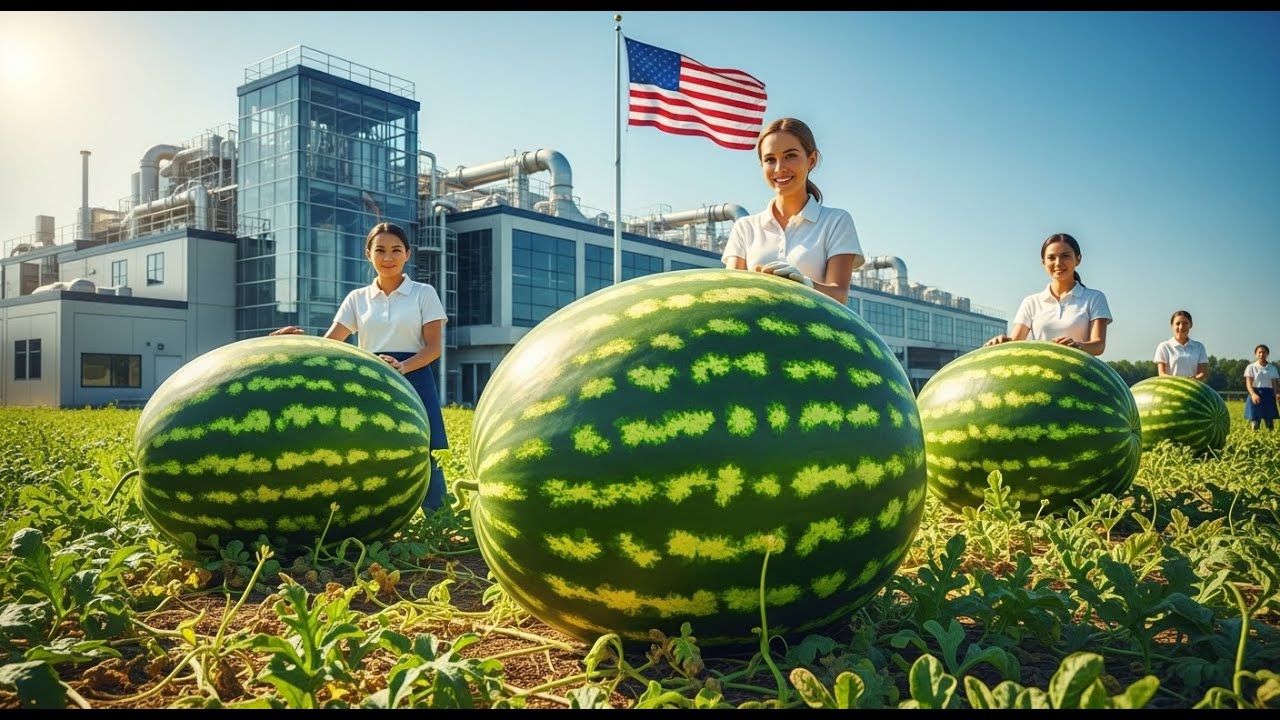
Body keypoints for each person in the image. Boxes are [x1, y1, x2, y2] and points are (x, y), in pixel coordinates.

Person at [271, 222, 450, 511]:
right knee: (372, 451)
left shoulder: (424, 293)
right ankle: (383, 518)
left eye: (395, 250)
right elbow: (332, 344)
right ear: (368, 254)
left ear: (408, 254)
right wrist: (297, 340)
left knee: (422, 451)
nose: (388, 257)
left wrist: (402, 367)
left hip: (414, 375)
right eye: (380, 250)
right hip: (371, 378)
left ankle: (439, 520)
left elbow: (433, 348)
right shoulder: (357, 299)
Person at [721, 117, 865, 304]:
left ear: (811, 160)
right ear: (762, 166)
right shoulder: (745, 227)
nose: (780, 168)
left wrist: (804, 284)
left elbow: (839, 296)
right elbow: (729, 294)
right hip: (755, 333)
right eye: (770, 160)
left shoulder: (836, 221)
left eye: (790, 156)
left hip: (811, 333)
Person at [984, 233, 1112, 356]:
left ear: (1078, 259)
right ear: (1043, 262)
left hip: (1079, 374)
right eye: (1051, 257)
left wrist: (1077, 346)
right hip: (1038, 375)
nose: (1058, 263)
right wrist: (1001, 343)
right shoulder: (1031, 302)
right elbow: (1015, 343)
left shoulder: (1094, 298)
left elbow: (1098, 346)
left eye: (1065, 256)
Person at [1153, 310, 1208, 380]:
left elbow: (1203, 372)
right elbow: (1161, 373)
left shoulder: (1199, 347)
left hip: (1193, 388)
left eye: (1185, 323)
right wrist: (1178, 381)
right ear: (1172, 325)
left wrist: (1194, 379)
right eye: (1177, 323)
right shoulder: (1164, 346)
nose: (1181, 327)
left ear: (1191, 325)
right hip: (1170, 389)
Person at [1244, 344, 1279, 431]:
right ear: (1256, 354)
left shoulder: (1272, 368)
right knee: (1255, 423)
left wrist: (1277, 395)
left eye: (1264, 352)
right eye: (1259, 352)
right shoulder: (1251, 367)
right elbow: (1248, 383)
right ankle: (1255, 440)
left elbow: (1275, 384)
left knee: (1269, 423)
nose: (1261, 354)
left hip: (1268, 396)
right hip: (1255, 394)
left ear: (1267, 354)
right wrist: (1253, 395)